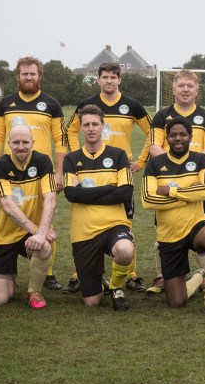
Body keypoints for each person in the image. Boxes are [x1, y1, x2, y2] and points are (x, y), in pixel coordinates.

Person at [64, 61, 151, 295]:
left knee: (125, 221)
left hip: (120, 171)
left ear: (119, 79)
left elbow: (153, 132)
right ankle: (79, 274)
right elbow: (70, 130)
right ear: (98, 79)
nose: (109, 81)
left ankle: (130, 275)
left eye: (114, 77)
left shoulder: (132, 105)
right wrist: (75, 154)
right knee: (84, 219)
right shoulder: (86, 105)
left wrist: (141, 161)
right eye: (105, 77)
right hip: (89, 168)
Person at [0, 56, 67, 291]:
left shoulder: (51, 103)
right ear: (18, 77)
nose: (29, 77)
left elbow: (60, 140)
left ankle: (48, 272)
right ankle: (7, 266)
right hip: (10, 171)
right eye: (25, 74)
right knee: (11, 211)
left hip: (41, 172)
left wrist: (60, 171)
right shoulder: (6, 103)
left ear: (39, 76)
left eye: (33, 73)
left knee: (46, 213)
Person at [142, 120, 205, 316]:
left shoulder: (201, 160)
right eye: (173, 135)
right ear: (167, 138)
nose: (178, 138)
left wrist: (171, 191)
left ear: (190, 137)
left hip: (195, 225)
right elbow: (148, 200)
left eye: (183, 134)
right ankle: (199, 275)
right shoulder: (155, 164)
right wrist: (186, 198)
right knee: (176, 302)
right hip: (169, 235)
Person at [145, 69, 205, 293]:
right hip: (167, 177)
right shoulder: (161, 116)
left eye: (190, 86)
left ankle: (204, 274)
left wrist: (193, 168)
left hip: (196, 179)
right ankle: (161, 276)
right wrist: (173, 168)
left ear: (197, 89)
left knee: (199, 228)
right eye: (181, 86)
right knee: (165, 228)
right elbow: (154, 146)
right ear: (174, 89)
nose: (185, 90)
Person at [62, 105, 136, 311]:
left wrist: (85, 196)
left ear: (103, 126)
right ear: (81, 128)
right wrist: (110, 189)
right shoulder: (71, 159)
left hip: (114, 225)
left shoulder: (119, 155)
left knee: (125, 250)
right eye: (86, 124)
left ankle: (116, 287)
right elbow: (70, 194)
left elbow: (125, 193)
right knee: (92, 302)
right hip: (83, 233)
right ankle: (100, 284)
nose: (91, 128)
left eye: (95, 124)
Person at [0, 125, 57, 309]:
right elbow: (8, 206)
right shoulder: (0, 165)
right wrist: (37, 231)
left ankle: (34, 290)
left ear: (32, 143)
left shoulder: (43, 161)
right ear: (9, 144)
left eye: (25, 142)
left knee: (44, 247)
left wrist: (40, 235)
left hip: (30, 235)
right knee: (0, 299)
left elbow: (50, 198)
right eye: (16, 142)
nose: (21, 146)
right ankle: (10, 277)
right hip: (4, 235)